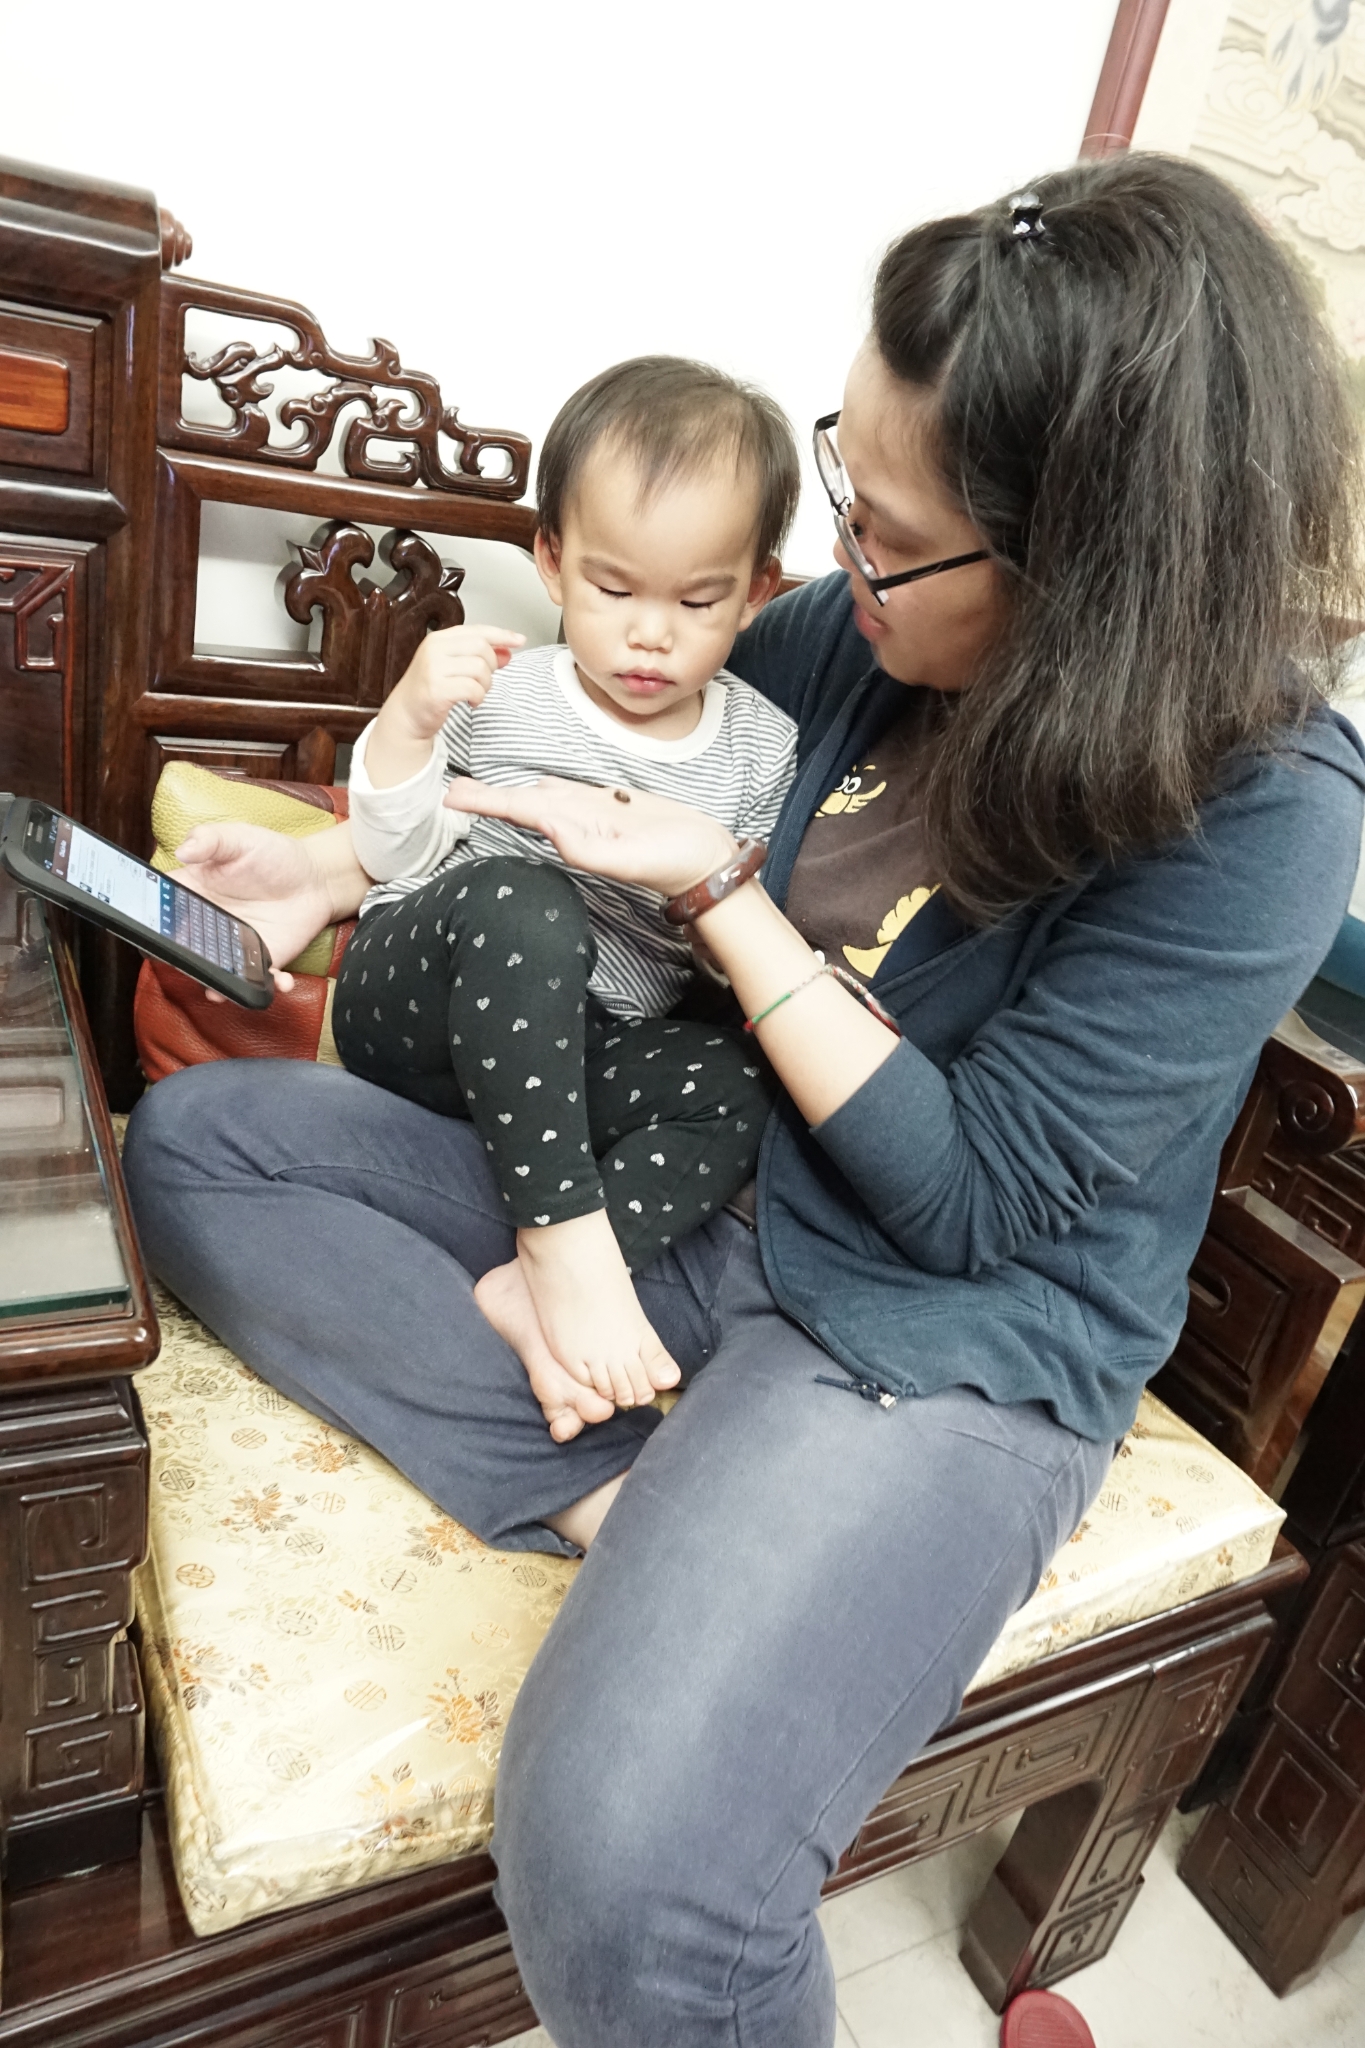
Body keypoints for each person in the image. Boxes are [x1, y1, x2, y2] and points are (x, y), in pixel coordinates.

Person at [123, 153, 1365, 2048]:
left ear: (1081, 571)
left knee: (624, 1867)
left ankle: (681, 1486)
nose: (834, 561)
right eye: (844, 480)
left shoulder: (1261, 806)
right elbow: (591, 769)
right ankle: (617, 1485)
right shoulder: (854, 642)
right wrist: (333, 866)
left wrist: (723, 896)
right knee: (210, 1145)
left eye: (888, 533)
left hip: (936, 1331)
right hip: (693, 1176)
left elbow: (969, 1197)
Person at [334, 357, 799, 1431]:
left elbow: (733, 952)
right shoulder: (500, 688)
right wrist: (406, 722)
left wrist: (686, 879)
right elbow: (393, 853)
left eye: (698, 600)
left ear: (757, 591)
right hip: (421, 1006)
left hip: (573, 1059)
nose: (650, 633)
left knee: (747, 1081)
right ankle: (562, 1243)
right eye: (613, 589)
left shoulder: (760, 747)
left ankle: (533, 1285)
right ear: (551, 560)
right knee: (528, 900)